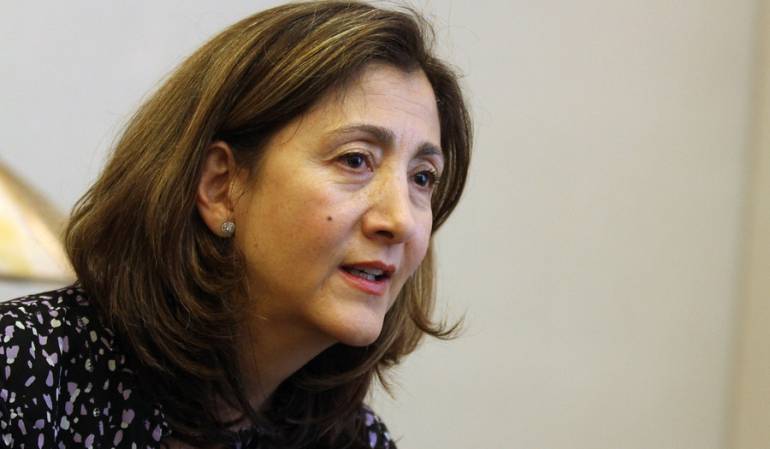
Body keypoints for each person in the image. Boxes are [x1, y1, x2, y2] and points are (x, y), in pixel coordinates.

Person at [0, 1, 472, 448]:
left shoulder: (351, 439)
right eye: (355, 160)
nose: (401, 221)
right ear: (221, 187)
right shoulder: (20, 372)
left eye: (422, 178)